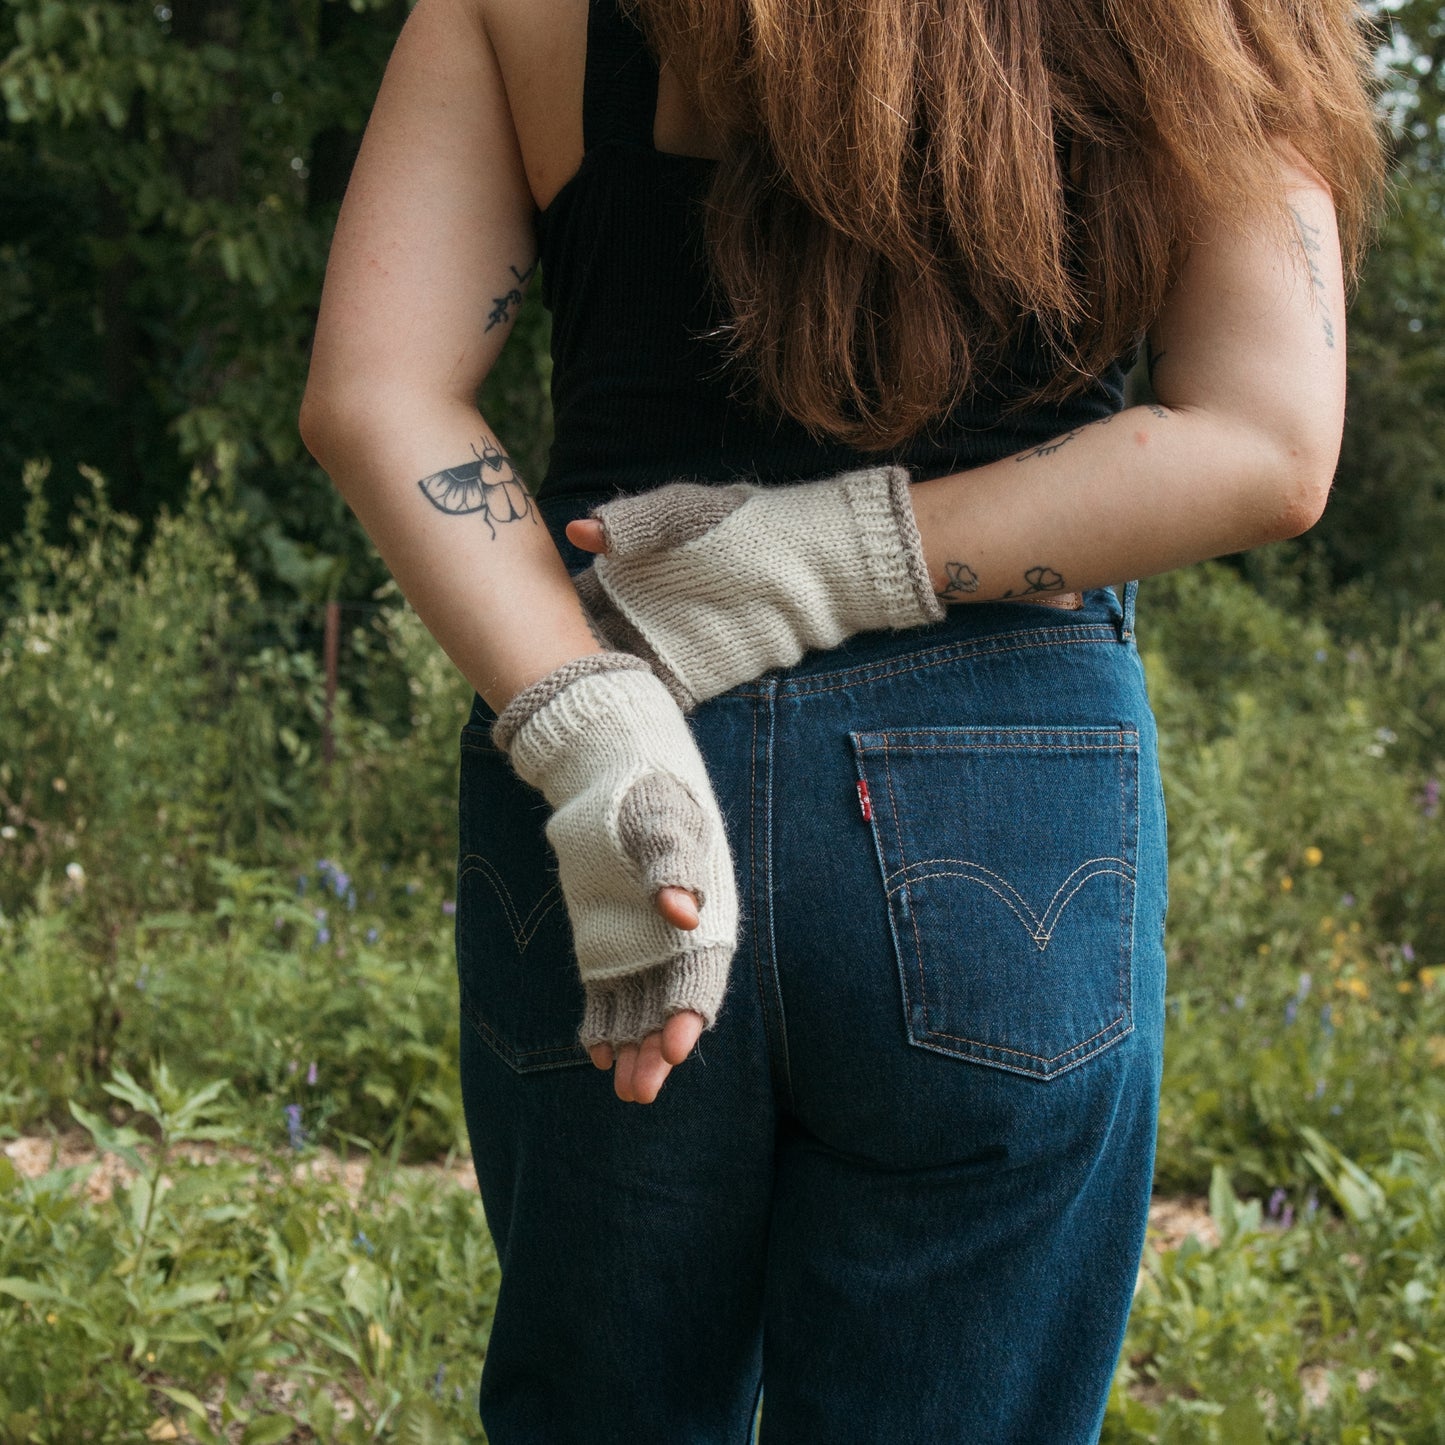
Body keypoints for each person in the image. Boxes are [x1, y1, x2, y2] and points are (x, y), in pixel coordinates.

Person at [299, 0, 1384, 1437]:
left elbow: (377, 391)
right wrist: (821, 557)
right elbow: (1268, 441)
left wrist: (590, 731)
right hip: (1004, 792)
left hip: (613, 758)